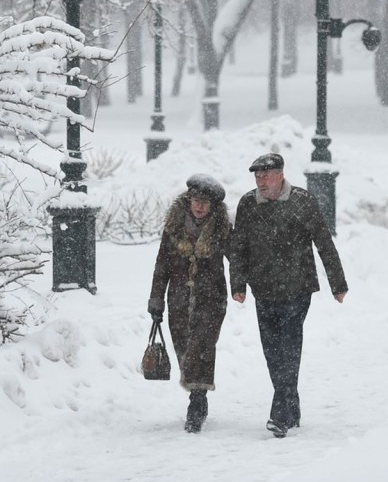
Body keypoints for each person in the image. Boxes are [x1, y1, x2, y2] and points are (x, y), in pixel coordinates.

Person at [229, 152, 348, 439]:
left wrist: (338, 282)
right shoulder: (248, 203)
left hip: (297, 287)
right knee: (272, 352)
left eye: (266, 175)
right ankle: (291, 406)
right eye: (257, 176)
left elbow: (323, 241)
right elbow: (238, 246)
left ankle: (279, 414)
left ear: (280, 174)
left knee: (289, 346)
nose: (261, 181)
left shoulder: (302, 201)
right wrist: (238, 284)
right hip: (264, 289)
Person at [147, 173, 231, 433]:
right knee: (184, 346)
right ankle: (196, 391)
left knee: (202, 345)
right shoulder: (173, 226)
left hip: (212, 298)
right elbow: (161, 265)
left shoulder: (221, 229)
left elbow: (237, 258)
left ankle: (197, 400)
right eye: (196, 200)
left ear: (213, 206)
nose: (200, 206)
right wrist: (156, 298)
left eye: (205, 202)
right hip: (179, 299)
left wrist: (241, 286)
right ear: (188, 199)